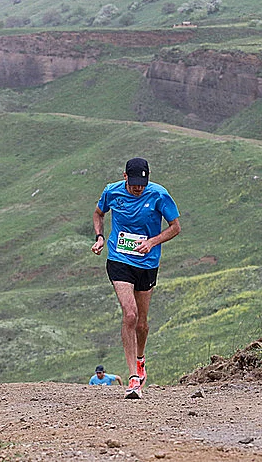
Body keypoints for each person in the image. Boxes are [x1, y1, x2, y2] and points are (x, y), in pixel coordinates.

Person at [91, 157, 180, 399]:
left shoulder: (159, 195)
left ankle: (140, 359)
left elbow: (175, 227)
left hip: (147, 263)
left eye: (142, 184)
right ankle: (133, 378)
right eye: (133, 184)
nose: (138, 188)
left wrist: (152, 242)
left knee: (141, 322)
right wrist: (99, 237)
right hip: (119, 259)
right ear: (125, 177)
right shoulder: (112, 191)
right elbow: (98, 213)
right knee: (129, 313)